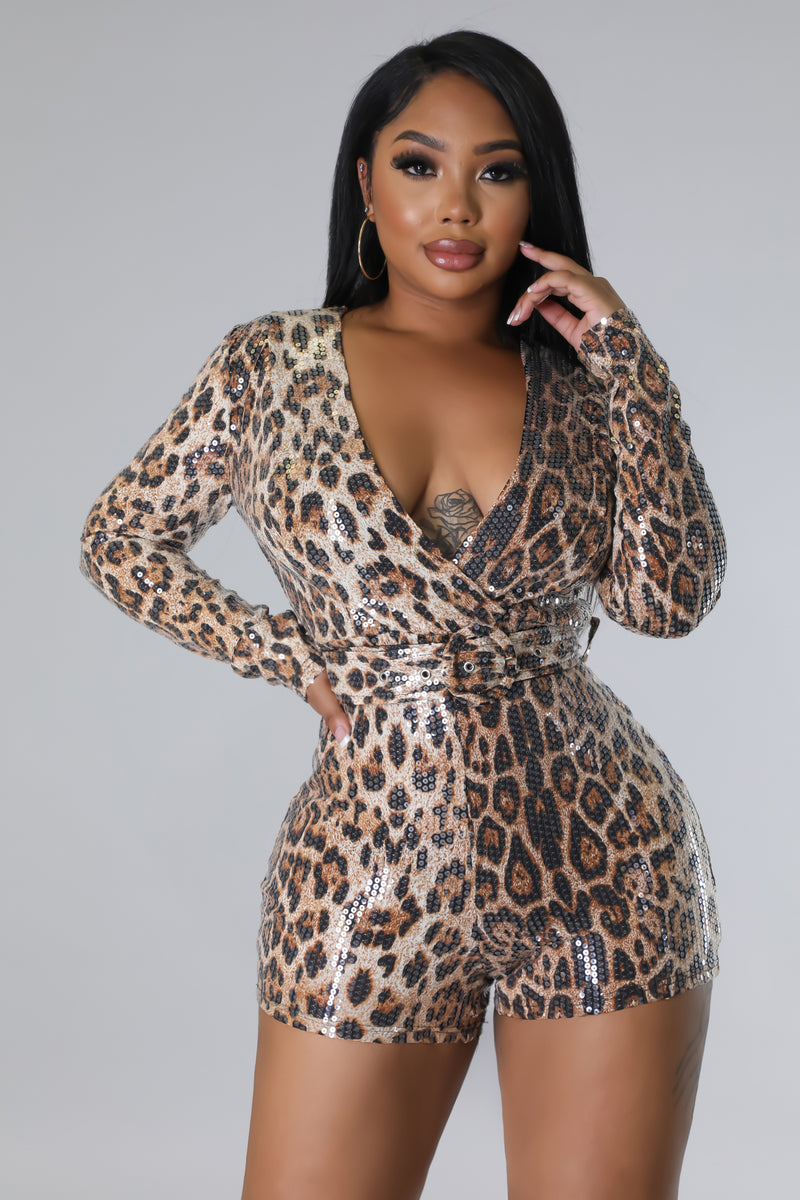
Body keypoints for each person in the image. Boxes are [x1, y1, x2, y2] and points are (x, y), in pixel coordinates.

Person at [78, 29, 727, 1200]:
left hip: (603, 858)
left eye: (497, 170)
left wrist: (634, 371)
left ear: (534, 194)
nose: (456, 205)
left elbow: (666, 600)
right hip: (366, 867)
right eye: (419, 164)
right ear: (365, 185)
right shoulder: (269, 366)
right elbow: (120, 539)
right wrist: (281, 649)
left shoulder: (582, 388)